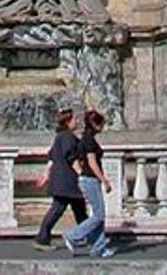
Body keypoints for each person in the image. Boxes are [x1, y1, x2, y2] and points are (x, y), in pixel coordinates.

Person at [33, 107, 86, 251]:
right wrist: (82, 174)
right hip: (67, 181)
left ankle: (89, 235)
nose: (77, 121)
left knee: (79, 209)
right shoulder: (68, 137)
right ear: (68, 122)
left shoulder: (59, 137)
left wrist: (45, 175)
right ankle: (42, 238)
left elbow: (51, 158)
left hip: (61, 179)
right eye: (75, 119)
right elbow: (71, 158)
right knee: (58, 209)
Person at [65, 108, 115, 258]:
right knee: (99, 215)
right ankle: (72, 235)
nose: (103, 128)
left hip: (87, 179)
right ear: (95, 124)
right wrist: (104, 180)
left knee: (98, 214)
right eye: (102, 125)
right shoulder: (89, 140)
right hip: (91, 179)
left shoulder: (85, 138)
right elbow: (92, 163)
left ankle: (98, 248)